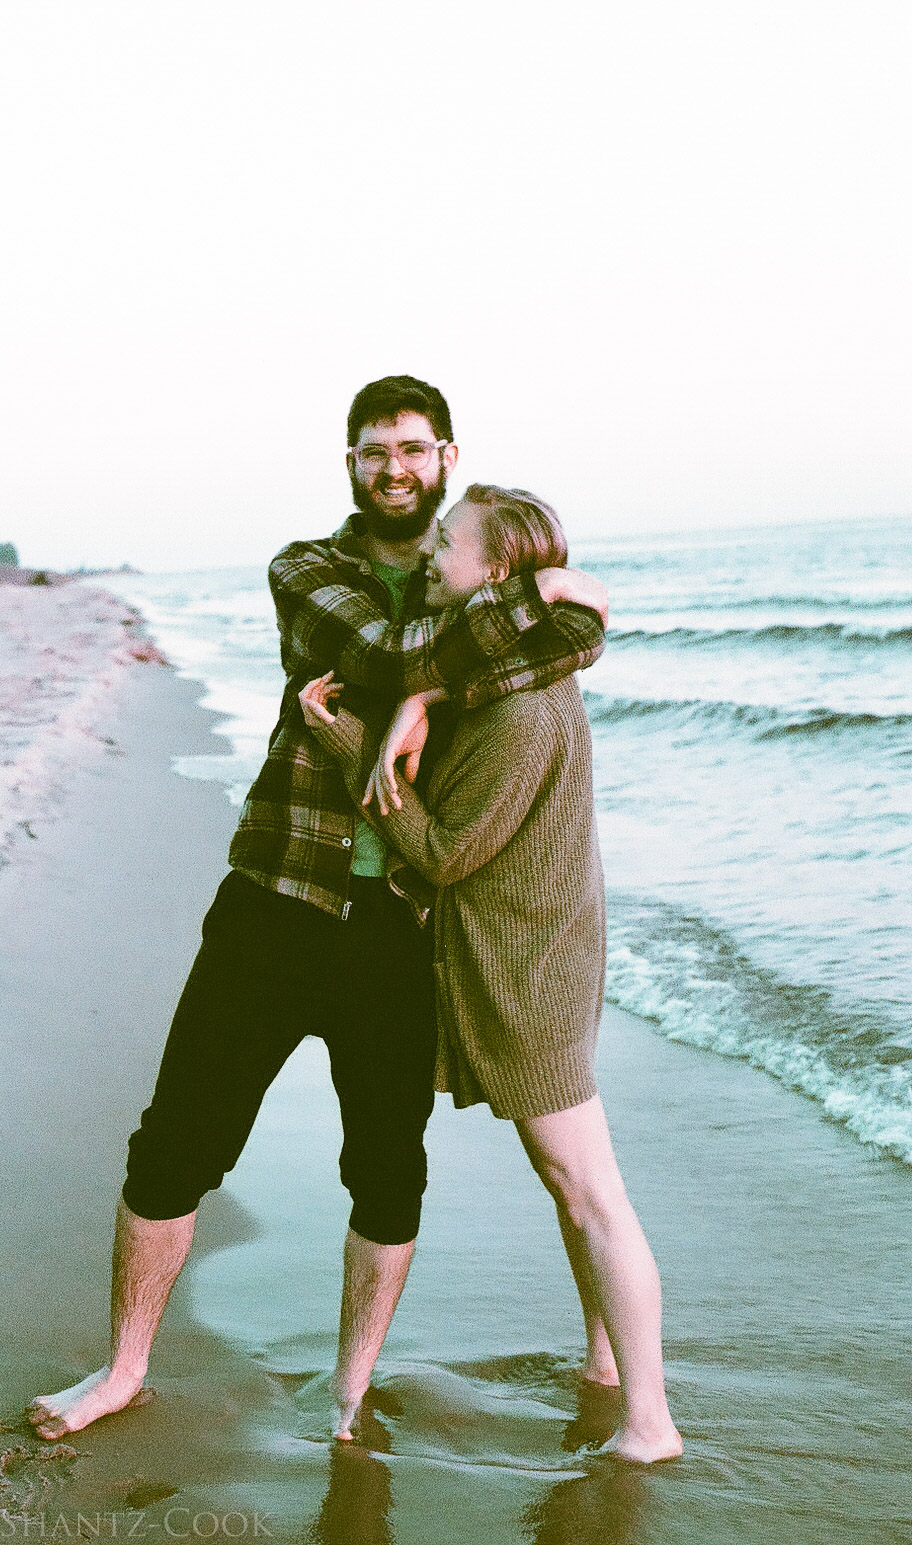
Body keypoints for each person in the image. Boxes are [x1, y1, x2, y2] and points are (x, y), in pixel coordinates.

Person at [27, 377, 609, 1442]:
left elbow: (568, 651)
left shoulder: (469, 572)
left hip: (400, 922)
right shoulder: (306, 569)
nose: (395, 468)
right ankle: (122, 1369)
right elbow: (389, 656)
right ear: (349, 462)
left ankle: (349, 1391)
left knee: (387, 1171)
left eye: (414, 449)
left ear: (446, 458)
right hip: (276, 895)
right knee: (175, 1143)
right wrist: (533, 614)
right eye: (374, 450)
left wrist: (462, 671)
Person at [300, 484, 682, 1463]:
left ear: (498, 570)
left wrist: (346, 741)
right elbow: (478, 663)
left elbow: (442, 853)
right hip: (540, 947)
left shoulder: (520, 710)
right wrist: (419, 697)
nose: (432, 552)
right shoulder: (503, 670)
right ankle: (604, 1365)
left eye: (450, 541)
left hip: (528, 968)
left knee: (590, 1189)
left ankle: (650, 1422)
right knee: (571, 1185)